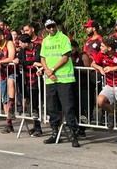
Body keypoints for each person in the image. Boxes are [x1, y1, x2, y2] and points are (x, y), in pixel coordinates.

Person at [39, 19, 80, 148]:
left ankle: (73, 134)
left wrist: (53, 70)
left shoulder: (63, 38)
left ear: (55, 26)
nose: (51, 28)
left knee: (68, 107)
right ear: (46, 28)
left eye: (53, 26)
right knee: (52, 107)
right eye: (49, 27)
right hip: (51, 79)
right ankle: (54, 132)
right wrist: (47, 71)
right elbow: (42, 58)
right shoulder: (45, 41)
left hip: (64, 79)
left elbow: (65, 56)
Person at [90, 35, 117, 150]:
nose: (100, 47)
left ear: (109, 48)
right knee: (100, 100)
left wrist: (113, 68)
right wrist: (99, 68)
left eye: (103, 46)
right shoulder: (101, 54)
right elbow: (93, 63)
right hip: (109, 84)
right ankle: (112, 113)